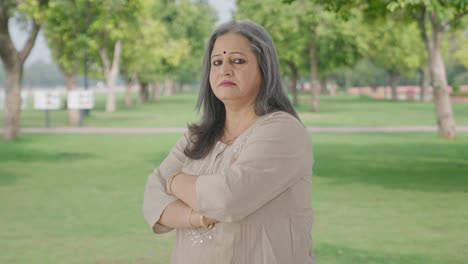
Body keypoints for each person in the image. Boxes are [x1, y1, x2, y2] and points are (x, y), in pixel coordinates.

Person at [143, 20, 315, 264]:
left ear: (264, 68)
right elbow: (152, 197)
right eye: (217, 62)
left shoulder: (283, 132)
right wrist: (198, 217)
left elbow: (228, 198)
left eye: (237, 61)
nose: (225, 69)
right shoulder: (198, 136)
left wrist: (172, 180)